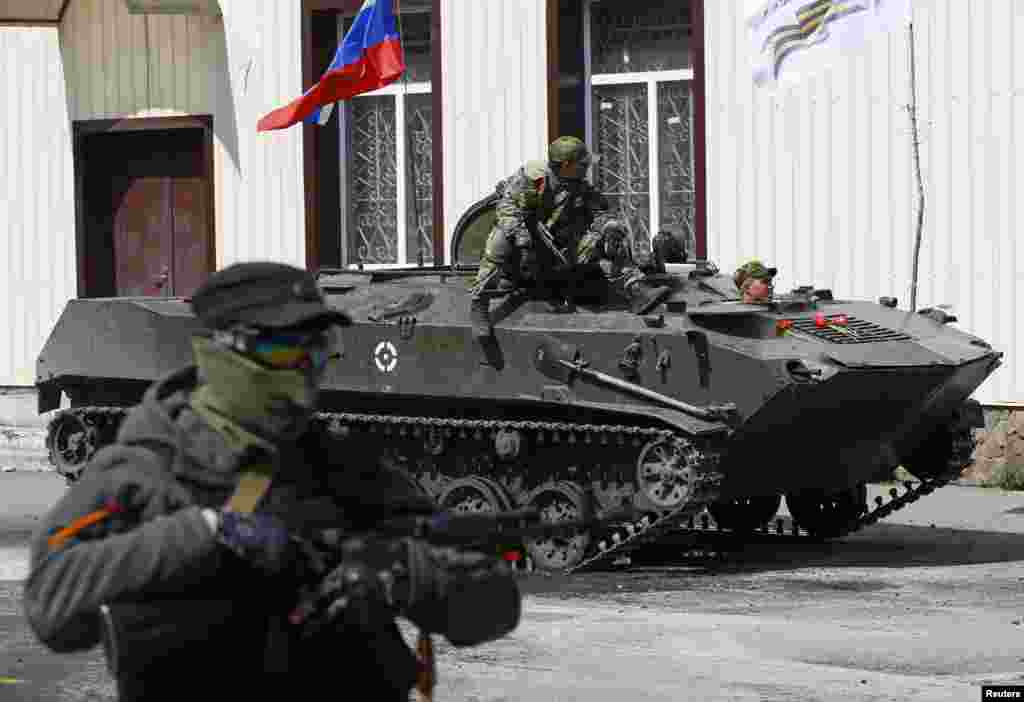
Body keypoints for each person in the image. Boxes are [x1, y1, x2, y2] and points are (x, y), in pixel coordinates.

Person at [22, 262, 521, 701]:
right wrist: (202, 532)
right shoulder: (143, 471)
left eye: (320, 352)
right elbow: (51, 603)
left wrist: (406, 575)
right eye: (288, 351)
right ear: (226, 352)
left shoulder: (345, 468)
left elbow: (495, 603)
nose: (308, 371)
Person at [468, 136, 608, 339]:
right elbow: (507, 210)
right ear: (567, 165)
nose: (587, 168)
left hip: (554, 255)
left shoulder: (577, 185)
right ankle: (479, 302)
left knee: (602, 235)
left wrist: (606, 227)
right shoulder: (534, 178)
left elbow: (600, 211)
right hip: (521, 248)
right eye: (583, 164)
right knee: (500, 236)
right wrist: (523, 240)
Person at [576, 217, 673, 311]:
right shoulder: (592, 244)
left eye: (619, 240)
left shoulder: (618, 248)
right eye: (614, 239)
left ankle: (642, 296)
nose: (617, 243)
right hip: (586, 287)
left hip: (605, 286)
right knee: (620, 270)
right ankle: (640, 296)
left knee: (632, 270)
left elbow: (628, 265)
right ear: (606, 236)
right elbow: (584, 268)